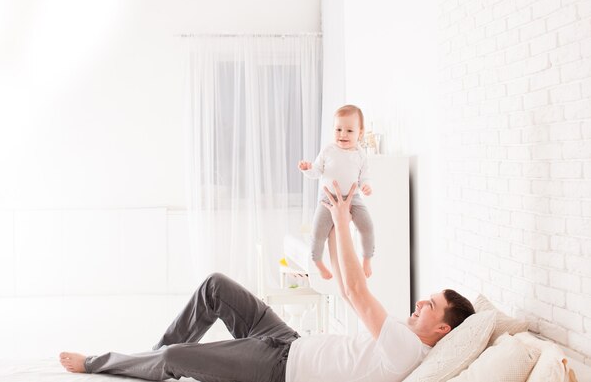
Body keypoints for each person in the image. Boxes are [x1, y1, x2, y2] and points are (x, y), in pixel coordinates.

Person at [60, 181, 475, 382]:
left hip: (278, 369)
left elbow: (355, 291)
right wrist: (332, 231)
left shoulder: (408, 348)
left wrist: (341, 222)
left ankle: (104, 363)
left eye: (431, 305)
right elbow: (350, 289)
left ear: (442, 329)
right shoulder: (402, 335)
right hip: (288, 340)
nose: (421, 302)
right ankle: (146, 363)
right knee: (214, 286)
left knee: (175, 357)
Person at [298, 104, 375, 281]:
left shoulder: (360, 154)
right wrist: (307, 169)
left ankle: (367, 258)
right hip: (328, 198)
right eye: (339, 129)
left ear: (360, 133)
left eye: (349, 130)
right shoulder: (328, 151)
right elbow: (316, 172)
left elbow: (365, 176)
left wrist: (366, 186)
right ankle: (317, 261)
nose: (343, 134)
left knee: (367, 226)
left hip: (353, 198)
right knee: (318, 231)